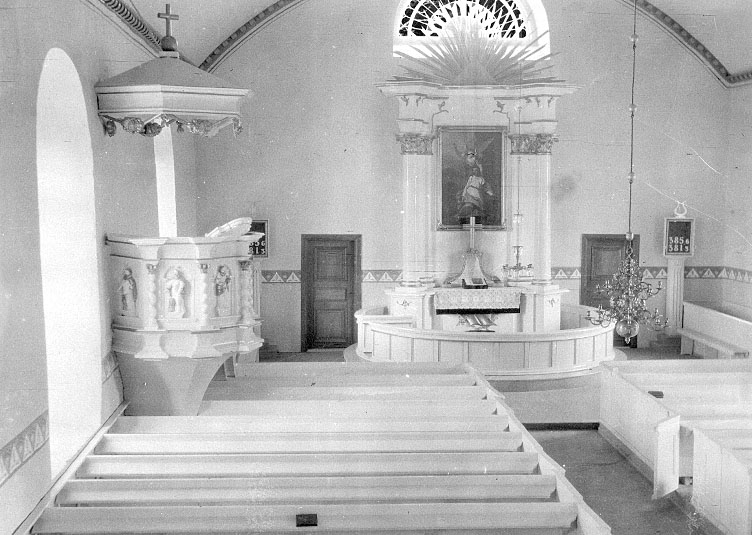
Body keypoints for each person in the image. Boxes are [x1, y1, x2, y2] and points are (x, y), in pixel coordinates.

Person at [457, 151, 494, 222]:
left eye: (476, 170)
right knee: (468, 204)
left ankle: (478, 215)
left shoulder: (481, 179)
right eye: (474, 170)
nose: (475, 172)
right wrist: (463, 194)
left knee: (479, 205)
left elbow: (484, 186)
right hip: (469, 191)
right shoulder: (471, 177)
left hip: (477, 192)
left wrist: (490, 193)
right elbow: (466, 186)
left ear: (478, 171)